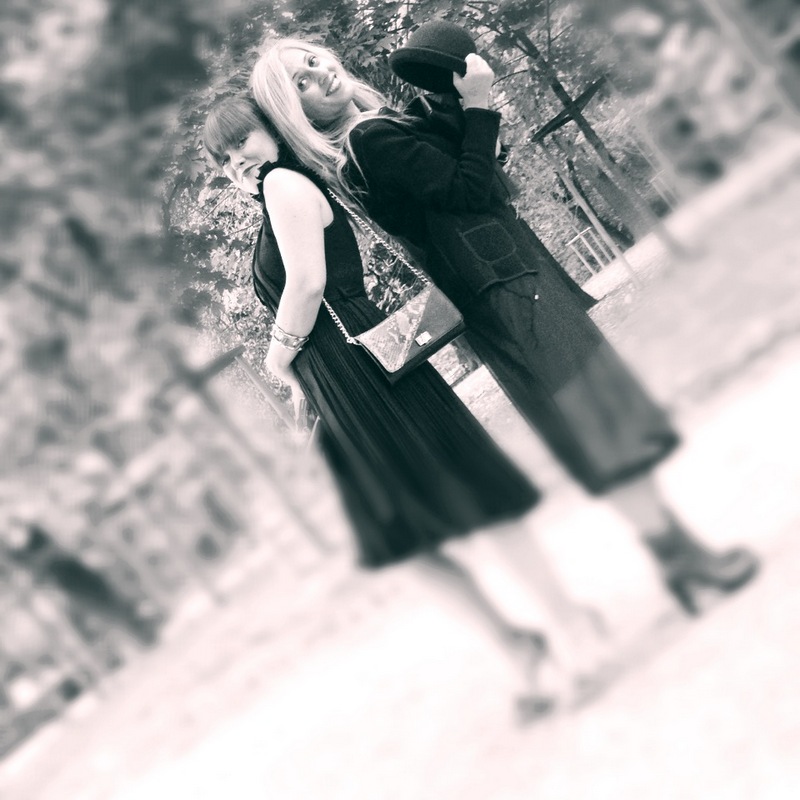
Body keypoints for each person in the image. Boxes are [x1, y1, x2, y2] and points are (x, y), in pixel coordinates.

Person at [249, 33, 759, 617]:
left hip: (497, 285)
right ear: (295, 111)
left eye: (313, 60)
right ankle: (683, 560)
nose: (319, 74)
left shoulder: (374, 130)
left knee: (595, 417)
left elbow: (472, 170)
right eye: (301, 82)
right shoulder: (369, 140)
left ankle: (678, 557)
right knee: (598, 418)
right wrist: (479, 102)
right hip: (505, 286)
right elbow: (471, 187)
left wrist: (462, 107)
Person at [202, 96, 616, 720]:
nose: (237, 161)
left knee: (474, 508)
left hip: (363, 372)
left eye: (243, 141)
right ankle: (520, 647)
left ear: (273, 133)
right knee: (405, 541)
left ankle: (571, 628)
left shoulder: (283, 182)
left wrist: (277, 359)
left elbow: (308, 285)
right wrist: (301, 381)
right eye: (224, 158)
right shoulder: (270, 202)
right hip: (338, 383)